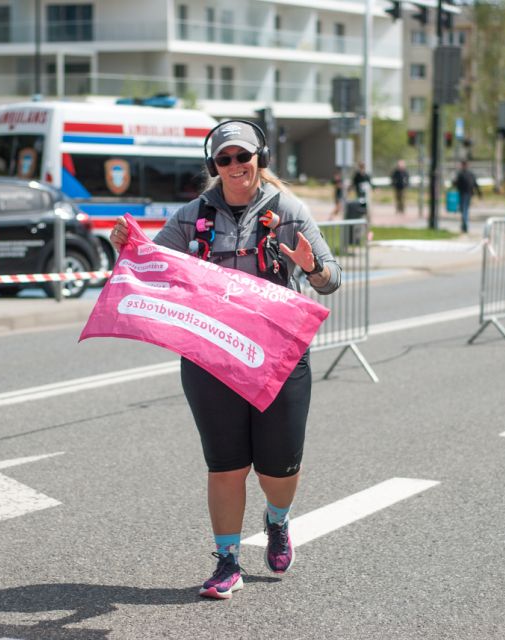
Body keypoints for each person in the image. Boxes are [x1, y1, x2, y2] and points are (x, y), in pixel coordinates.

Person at [109, 120, 341, 600]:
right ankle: (227, 561)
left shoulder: (289, 211)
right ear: (214, 166)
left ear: (261, 158)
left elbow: (332, 278)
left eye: (243, 157)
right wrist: (127, 251)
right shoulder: (192, 215)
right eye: (225, 159)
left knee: (277, 472)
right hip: (211, 355)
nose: (236, 166)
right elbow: (155, 268)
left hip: (278, 357)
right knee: (226, 465)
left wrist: (312, 266)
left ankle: (277, 521)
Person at [453, 160, 482, 234]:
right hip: (469, 194)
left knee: (464, 210)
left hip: (463, 194)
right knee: (465, 209)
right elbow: (475, 184)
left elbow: (455, 183)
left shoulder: (461, 174)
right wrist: (479, 193)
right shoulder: (470, 174)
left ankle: (464, 225)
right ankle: (464, 225)